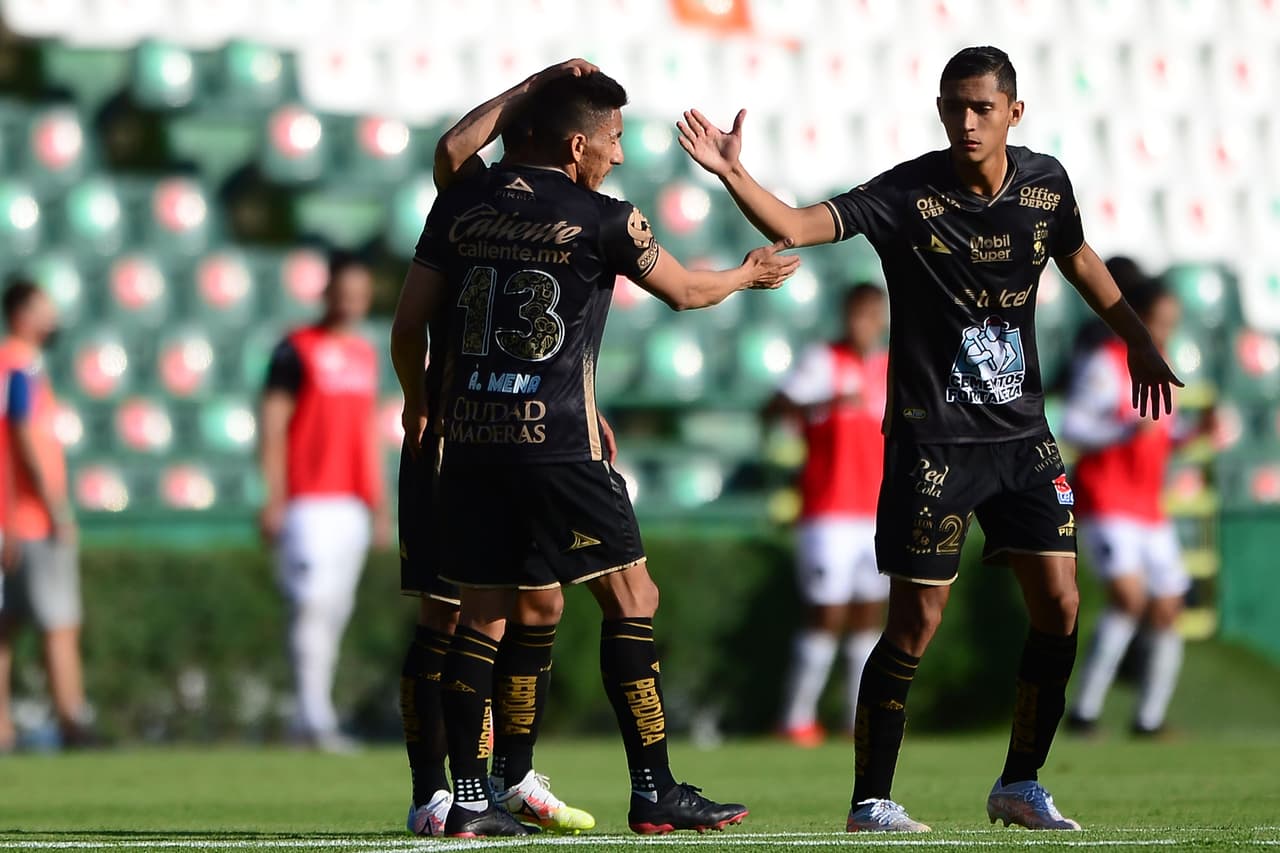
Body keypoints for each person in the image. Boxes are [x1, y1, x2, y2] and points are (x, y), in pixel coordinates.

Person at [677, 45, 1180, 832]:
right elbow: (799, 225)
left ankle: (1021, 781)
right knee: (915, 623)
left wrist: (1136, 337)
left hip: (1022, 438)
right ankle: (870, 798)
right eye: (954, 105)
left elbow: (1078, 256)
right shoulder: (908, 193)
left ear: (1016, 112)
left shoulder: (1046, 184)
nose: (967, 121)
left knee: (1062, 603)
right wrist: (735, 174)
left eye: (982, 107)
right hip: (933, 444)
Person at [390, 70, 797, 837]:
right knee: (632, 600)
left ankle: (471, 801)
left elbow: (408, 325)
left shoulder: (463, 203)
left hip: (471, 443)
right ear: (577, 144)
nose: (616, 155)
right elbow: (684, 292)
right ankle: (654, 787)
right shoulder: (606, 218)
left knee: (481, 615)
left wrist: (421, 400)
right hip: (557, 448)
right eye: (611, 140)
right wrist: (749, 273)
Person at [396, 58, 602, 837]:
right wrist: (533, 83)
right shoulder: (473, 198)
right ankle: (436, 791)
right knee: (447, 616)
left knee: (542, 601)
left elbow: (561, 329)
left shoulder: (571, 210)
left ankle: (514, 777)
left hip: (532, 429)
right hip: (459, 431)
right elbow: (451, 149)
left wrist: (589, 406)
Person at [259, 252, 391, 751]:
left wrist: (378, 505)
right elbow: (272, 424)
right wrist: (273, 496)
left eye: (360, 293)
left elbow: (367, 434)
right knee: (311, 602)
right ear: (327, 292)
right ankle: (312, 714)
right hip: (307, 499)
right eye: (344, 291)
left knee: (335, 608)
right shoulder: (294, 350)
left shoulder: (364, 353)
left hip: (351, 504)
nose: (351, 301)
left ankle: (314, 711)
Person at [1063, 272, 1195, 737]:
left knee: (1168, 607)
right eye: (1159, 322)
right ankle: (1085, 712)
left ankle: (1148, 719)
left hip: (1148, 507)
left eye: (1170, 324)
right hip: (1108, 499)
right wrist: (1121, 431)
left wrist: (1194, 434)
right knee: (1129, 598)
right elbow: (1074, 424)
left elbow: (1159, 436)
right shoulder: (1106, 364)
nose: (1165, 332)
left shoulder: (1162, 365)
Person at [767, 283, 890, 746]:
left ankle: (857, 716)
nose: (864, 324)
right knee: (826, 613)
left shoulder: (888, 368)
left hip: (876, 511)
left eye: (872, 315)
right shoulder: (823, 362)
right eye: (857, 315)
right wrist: (825, 404)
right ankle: (796, 716)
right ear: (845, 316)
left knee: (867, 615)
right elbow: (775, 406)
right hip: (828, 510)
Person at [0, 278, 89, 751]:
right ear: (22, 314)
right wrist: (55, 505)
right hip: (30, 517)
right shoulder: (20, 366)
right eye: (45, 308)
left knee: (5, 625)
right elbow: (24, 435)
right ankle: (73, 720)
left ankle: (2, 729)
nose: (53, 317)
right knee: (59, 623)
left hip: (10, 516)